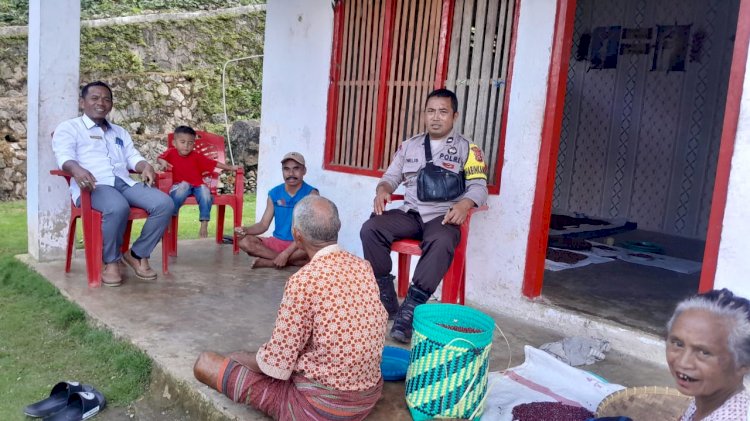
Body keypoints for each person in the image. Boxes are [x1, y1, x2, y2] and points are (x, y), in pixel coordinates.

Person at [194, 196, 387, 420]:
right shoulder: (363, 267)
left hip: (319, 408)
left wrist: (238, 357)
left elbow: (276, 365)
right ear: (338, 228)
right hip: (366, 399)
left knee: (206, 363)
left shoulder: (303, 281)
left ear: (296, 235)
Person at [360, 88, 488, 343]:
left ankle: (410, 312)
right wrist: (383, 190)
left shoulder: (468, 150)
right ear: (424, 115)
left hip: (443, 217)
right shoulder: (409, 146)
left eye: (443, 111)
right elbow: (390, 177)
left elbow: (479, 186)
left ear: (454, 116)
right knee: (371, 228)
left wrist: (464, 205)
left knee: (442, 242)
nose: (436, 117)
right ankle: (386, 297)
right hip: (410, 213)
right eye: (431, 111)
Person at [52, 81, 174, 287]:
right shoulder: (69, 128)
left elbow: (132, 157)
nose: (101, 103)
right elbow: (63, 156)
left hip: (123, 182)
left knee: (165, 204)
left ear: (111, 105)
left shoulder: (119, 131)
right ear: (82, 102)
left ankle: (137, 254)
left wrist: (145, 166)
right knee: (117, 207)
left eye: (106, 99)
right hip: (93, 185)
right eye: (95, 98)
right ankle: (111, 261)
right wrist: (76, 169)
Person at [666, 288, 750, 420]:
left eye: (704, 352)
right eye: (678, 344)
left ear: (743, 364)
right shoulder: (706, 402)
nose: (683, 362)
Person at [235, 152, 318, 268]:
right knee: (244, 242)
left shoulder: (311, 194)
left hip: (299, 245)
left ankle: (270, 262)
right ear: (282, 171)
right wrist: (245, 230)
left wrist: (286, 253)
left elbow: (308, 232)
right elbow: (263, 225)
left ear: (304, 171)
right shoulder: (274, 193)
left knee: (316, 246)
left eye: (296, 169)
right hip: (277, 242)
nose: (291, 173)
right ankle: (287, 261)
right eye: (286, 169)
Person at [157, 125, 240, 238]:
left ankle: (204, 222)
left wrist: (230, 168)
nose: (186, 145)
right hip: (179, 186)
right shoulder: (171, 153)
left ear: (193, 144)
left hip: (197, 186)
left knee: (205, 191)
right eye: (182, 142)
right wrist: (163, 163)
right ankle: (170, 218)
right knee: (184, 186)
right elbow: (160, 158)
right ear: (174, 143)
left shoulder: (196, 156)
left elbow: (213, 163)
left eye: (190, 143)